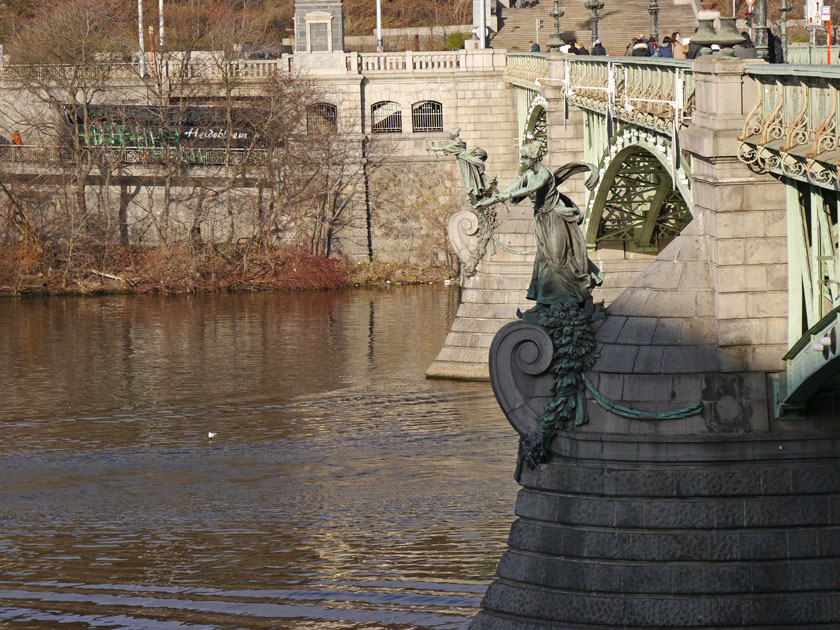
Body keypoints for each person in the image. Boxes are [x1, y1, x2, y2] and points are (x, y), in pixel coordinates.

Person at [476, 143, 602, 308]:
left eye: (525, 157)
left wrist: (506, 196)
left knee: (559, 257)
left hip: (555, 217)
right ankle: (547, 299)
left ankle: (578, 292)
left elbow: (528, 190)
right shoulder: (528, 174)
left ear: (534, 157)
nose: (522, 161)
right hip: (541, 219)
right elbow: (510, 189)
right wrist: (486, 203)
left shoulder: (544, 175)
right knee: (544, 259)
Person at [426, 128, 491, 204]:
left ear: (453, 135)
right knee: (470, 177)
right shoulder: (457, 142)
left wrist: (431, 148)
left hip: (465, 160)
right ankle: (472, 193)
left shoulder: (456, 143)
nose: (449, 136)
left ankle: (471, 194)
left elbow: (444, 148)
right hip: (464, 160)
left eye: (450, 135)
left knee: (469, 177)